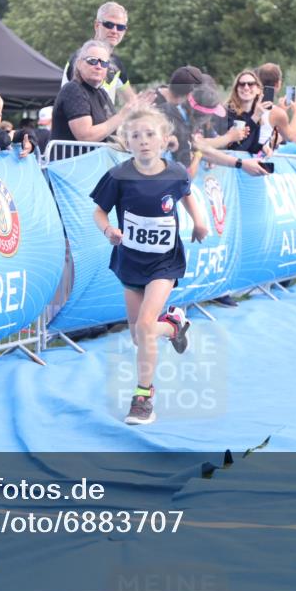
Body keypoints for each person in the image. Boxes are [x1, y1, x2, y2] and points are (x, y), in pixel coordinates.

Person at [90, 105, 207, 425]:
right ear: (127, 142)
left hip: (164, 263)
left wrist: (199, 221)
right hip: (130, 262)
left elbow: (187, 193)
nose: (143, 140)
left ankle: (143, 397)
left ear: (164, 140)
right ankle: (173, 326)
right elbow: (99, 211)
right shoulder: (118, 175)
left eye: (150, 134)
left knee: (144, 326)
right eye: (136, 136)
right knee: (138, 336)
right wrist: (108, 230)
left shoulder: (176, 173)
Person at [51, 39, 150, 144]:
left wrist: (139, 115)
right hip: (76, 155)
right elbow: (86, 136)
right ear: (79, 64)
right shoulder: (73, 89)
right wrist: (122, 115)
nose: (98, 66)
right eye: (92, 60)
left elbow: (114, 129)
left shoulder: (102, 94)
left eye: (104, 63)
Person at [61, 1, 135, 105]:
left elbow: (133, 101)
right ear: (96, 25)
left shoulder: (115, 63)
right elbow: (79, 107)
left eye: (120, 27)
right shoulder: (83, 58)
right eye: (109, 25)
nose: (114, 31)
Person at [254, 62, 296, 149]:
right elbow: (292, 137)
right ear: (278, 84)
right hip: (261, 154)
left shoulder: (249, 103)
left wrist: (281, 110)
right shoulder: (277, 113)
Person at [224, 68, 264, 154]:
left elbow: (252, 149)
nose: (246, 87)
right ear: (236, 89)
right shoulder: (227, 112)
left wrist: (264, 147)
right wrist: (255, 118)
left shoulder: (257, 113)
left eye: (250, 84)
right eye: (242, 84)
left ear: (258, 90)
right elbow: (235, 146)